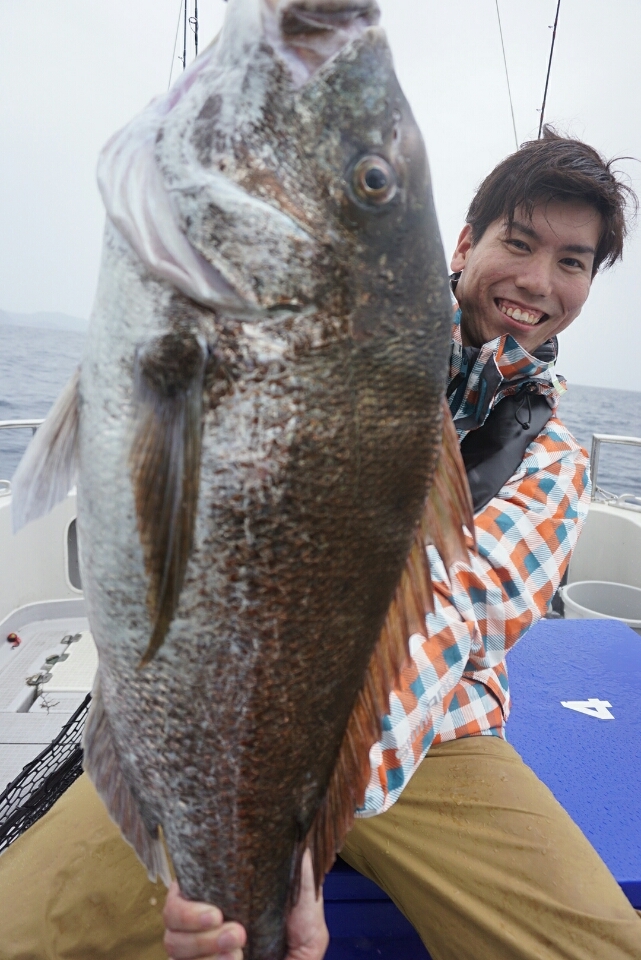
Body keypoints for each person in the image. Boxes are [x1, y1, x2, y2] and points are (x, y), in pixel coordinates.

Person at [0, 129, 639, 960]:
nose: (536, 280)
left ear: (589, 283)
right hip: (225, 716)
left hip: (436, 734)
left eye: (570, 261)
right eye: (517, 243)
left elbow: (450, 625)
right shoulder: (330, 333)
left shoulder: (553, 459)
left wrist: (281, 825)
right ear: (462, 242)